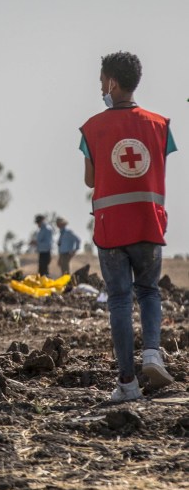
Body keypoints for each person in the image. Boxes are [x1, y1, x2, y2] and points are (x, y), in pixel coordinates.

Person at [80, 50, 176, 402]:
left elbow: (90, 180)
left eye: (101, 80)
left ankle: (127, 383)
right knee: (149, 291)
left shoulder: (91, 128)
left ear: (113, 82)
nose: (99, 86)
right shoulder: (161, 125)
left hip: (110, 228)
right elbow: (157, 166)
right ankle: (152, 352)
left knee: (119, 300)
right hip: (148, 223)